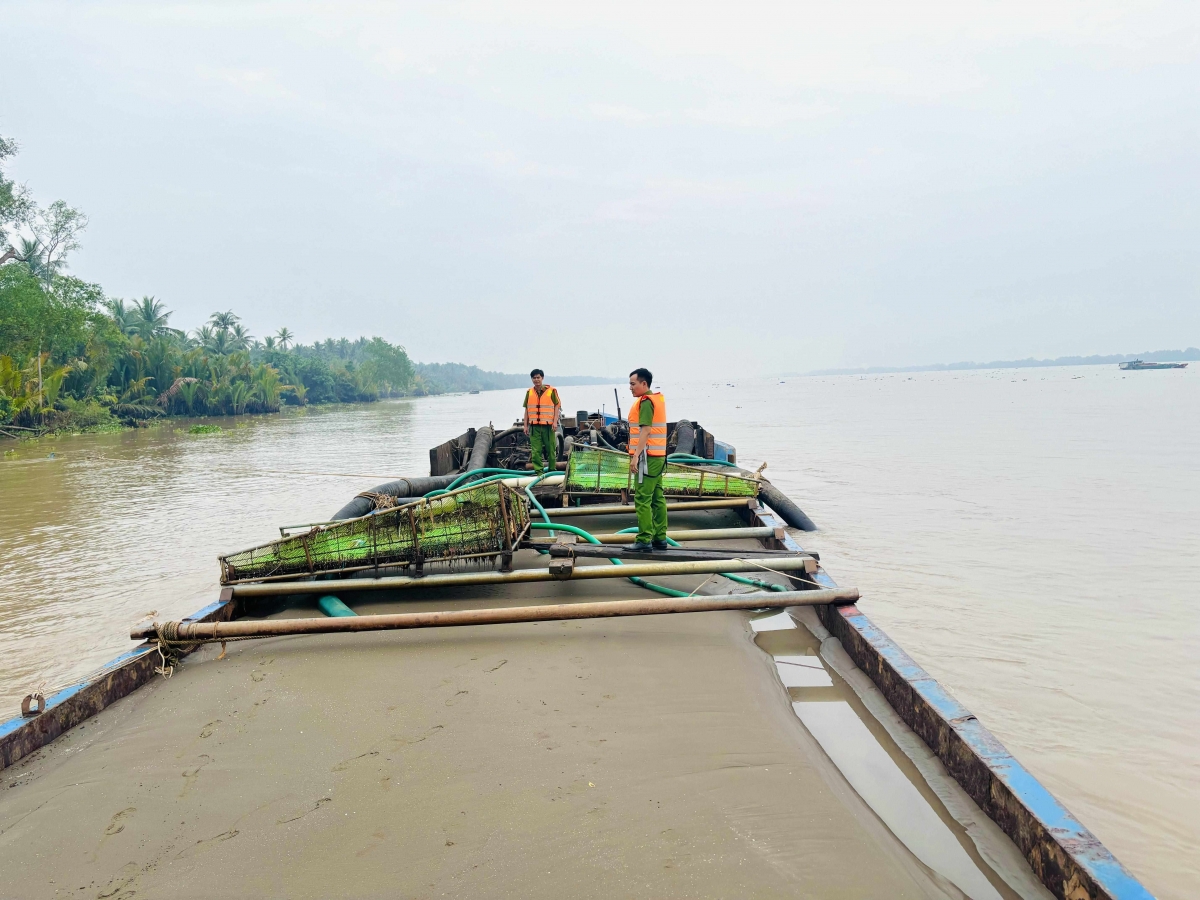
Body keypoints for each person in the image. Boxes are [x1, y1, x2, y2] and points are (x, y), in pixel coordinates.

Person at [626, 367, 668, 551]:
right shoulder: (656, 399)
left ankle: (644, 540)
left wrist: (635, 456)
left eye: (633, 384)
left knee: (642, 499)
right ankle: (660, 538)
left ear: (644, 384)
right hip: (658, 457)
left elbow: (646, 430)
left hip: (647, 458)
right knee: (657, 498)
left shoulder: (645, 402)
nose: (630, 388)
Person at [523, 369, 560, 475]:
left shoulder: (552, 391)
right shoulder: (529, 392)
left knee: (551, 450)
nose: (536, 380)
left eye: (538, 377)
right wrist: (525, 426)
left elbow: (557, 406)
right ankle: (539, 473)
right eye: (534, 378)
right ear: (532, 379)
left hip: (548, 426)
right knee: (535, 451)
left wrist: (555, 422)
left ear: (542, 378)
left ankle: (552, 471)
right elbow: (527, 410)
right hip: (534, 427)